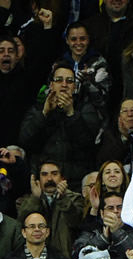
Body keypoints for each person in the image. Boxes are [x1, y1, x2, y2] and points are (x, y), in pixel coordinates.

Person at [18, 62, 100, 192]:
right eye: (59, 80)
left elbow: (88, 144)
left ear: (75, 87)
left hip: (75, 184)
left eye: (69, 81)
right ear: (51, 85)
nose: (64, 85)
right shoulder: (37, 109)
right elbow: (25, 140)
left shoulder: (86, 108)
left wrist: (71, 114)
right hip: (44, 182)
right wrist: (44, 114)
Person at [17, 161, 85, 259]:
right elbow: (21, 223)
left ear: (62, 179)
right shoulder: (26, 201)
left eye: (54, 174)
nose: (49, 178)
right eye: (44, 174)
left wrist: (63, 199)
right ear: (38, 180)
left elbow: (76, 222)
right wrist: (35, 199)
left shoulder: (75, 199)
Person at [60, 21, 111, 118]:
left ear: (88, 39)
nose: (78, 43)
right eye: (73, 39)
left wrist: (88, 83)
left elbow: (102, 101)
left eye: (82, 39)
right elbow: (51, 91)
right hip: (63, 119)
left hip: (92, 120)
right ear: (67, 40)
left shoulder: (100, 64)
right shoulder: (60, 64)